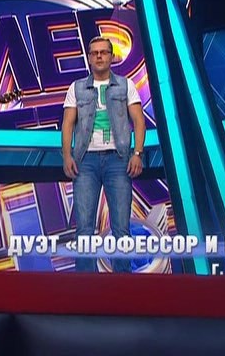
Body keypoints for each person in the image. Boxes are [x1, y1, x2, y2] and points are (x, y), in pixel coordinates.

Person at [61, 36, 146, 273]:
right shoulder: (76, 87)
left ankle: (122, 285)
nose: (99, 56)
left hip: (118, 160)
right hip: (85, 161)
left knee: (121, 228)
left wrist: (137, 153)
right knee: (84, 229)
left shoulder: (126, 85)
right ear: (89, 58)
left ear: (111, 57)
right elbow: (67, 124)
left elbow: (139, 121)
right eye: (94, 53)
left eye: (103, 52)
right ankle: (86, 286)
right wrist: (66, 156)